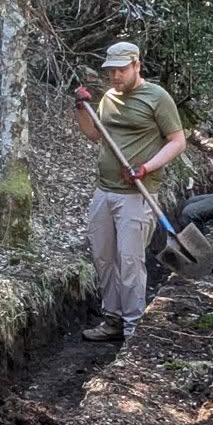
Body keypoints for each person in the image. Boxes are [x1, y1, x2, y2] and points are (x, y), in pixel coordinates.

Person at [72, 40, 186, 342]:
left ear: (137, 65)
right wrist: (82, 108)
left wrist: (146, 167)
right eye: (112, 71)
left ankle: (134, 329)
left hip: (137, 194)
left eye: (122, 70)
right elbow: (93, 134)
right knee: (103, 257)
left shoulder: (157, 98)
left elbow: (177, 141)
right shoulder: (109, 98)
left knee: (130, 259)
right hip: (104, 191)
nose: (116, 77)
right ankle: (113, 319)